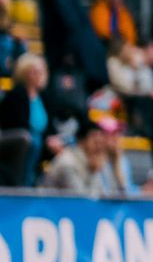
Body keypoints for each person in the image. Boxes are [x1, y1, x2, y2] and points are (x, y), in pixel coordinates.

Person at [0, 53, 59, 187]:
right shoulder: (16, 95)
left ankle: (43, 185)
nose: (39, 75)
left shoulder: (44, 97)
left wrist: (53, 139)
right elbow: (13, 125)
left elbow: (49, 127)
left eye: (41, 71)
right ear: (25, 73)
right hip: (16, 143)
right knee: (32, 141)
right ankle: (22, 185)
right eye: (35, 72)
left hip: (39, 142)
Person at [43, 120, 133, 197]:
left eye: (100, 143)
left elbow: (102, 194)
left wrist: (95, 170)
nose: (98, 147)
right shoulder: (68, 163)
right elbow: (81, 200)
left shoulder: (93, 162)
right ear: (82, 142)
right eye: (95, 141)